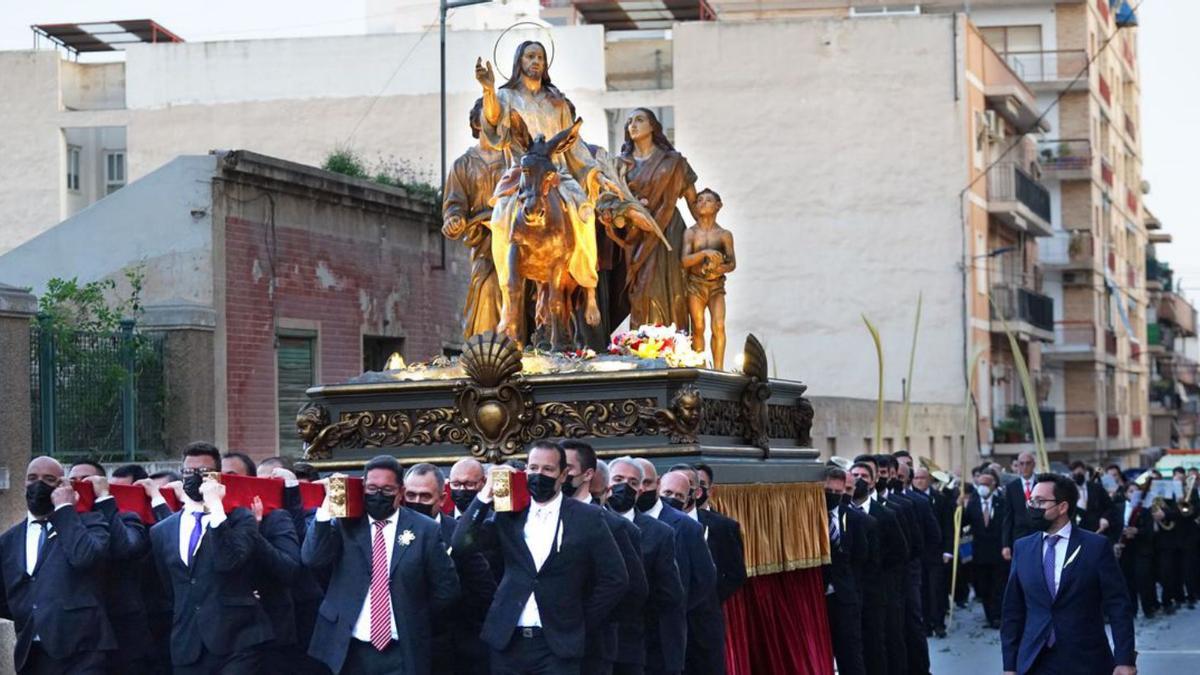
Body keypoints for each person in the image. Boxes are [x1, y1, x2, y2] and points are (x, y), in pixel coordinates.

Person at [453, 441, 628, 674]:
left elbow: (615, 578)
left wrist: (580, 620)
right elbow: (462, 544)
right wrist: (484, 497)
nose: (539, 475)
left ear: (563, 474)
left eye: (548, 469)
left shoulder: (587, 517)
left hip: (557, 645)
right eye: (533, 468)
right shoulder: (509, 513)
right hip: (507, 641)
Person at [303, 455, 460, 674]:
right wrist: (326, 508)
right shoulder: (346, 523)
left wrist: (414, 613)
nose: (378, 495)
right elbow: (313, 558)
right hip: (348, 647)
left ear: (400, 492)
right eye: (372, 488)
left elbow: (446, 588)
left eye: (387, 490)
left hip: (401, 649)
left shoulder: (424, 529)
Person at [149, 441, 274, 674]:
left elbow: (228, 561)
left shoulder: (240, 518)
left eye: (203, 473)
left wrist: (215, 505)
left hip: (238, 640)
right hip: (188, 644)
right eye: (188, 472)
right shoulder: (162, 531)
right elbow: (170, 586)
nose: (194, 477)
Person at [1000, 473, 1136, 675]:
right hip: (1035, 660)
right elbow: (1013, 610)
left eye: (1040, 501)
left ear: (1062, 507)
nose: (1033, 507)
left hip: (1086, 660)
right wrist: (1009, 666)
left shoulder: (1095, 546)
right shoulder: (1023, 547)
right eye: (1031, 501)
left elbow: (1118, 605)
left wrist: (1124, 659)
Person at [0, 457, 116, 674]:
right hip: (32, 653)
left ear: (62, 485)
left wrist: (64, 508)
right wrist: (30, 609)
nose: (39, 484)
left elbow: (85, 558)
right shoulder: (8, 540)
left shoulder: (91, 523)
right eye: (32, 478)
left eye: (49, 479)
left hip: (83, 652)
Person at [561, 441, 648, 675]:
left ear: (587, 474)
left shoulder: (616, 526)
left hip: (592, 648)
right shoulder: (531, 520)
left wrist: (584, 623)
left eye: (566, 467)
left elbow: (633, 590)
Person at [404, 462, 496, 675]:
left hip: (453, 647)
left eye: (425, 496)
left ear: (442, 498)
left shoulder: (459, 533)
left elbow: (484, 590)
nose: (417, 502)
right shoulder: (392, 532)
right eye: (411, 496)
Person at [68, 460, 155, 673]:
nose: (79, 485)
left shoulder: (126, 517)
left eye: (86, 481)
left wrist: (104, 500)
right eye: (73, 481)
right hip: (79, 637)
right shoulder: (64, 523)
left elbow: (126, 547)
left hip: (123, 633)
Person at [222, 452, 304, 671]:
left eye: (230, 476)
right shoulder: (213, 521)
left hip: (271, 631)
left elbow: (289, 570)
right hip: (226, 634)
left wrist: (252, 531)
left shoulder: (276, 518)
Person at [608, 457, 685, 675]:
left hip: (634, 646)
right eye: (618, 479)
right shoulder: (588, 521)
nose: (624, 486)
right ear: (606, 483)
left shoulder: (660, 533)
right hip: (589, 644)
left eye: (632, 482)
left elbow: (669, 597)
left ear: (641, 489)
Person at [444, 97, 508, 338]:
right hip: (483, 239)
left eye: (498, 116)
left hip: (515, 237)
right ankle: (488, 345)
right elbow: (454, 205)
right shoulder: (463, 164)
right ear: (476, 122)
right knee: (488, 287)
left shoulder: (515, 160)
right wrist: (454, 219)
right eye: (488, 115)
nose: (494, 120)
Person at [656, 469, 724, 675]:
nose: (672, 499)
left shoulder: (692, 527)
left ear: (690, 498)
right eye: (667, 493)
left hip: (696, 623)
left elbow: (708, 577)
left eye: (679, 496)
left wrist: (682, 603)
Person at [849, 460, 908, 675]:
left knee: (880, 643)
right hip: (852, 592)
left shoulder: (885, 514)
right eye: (854, 474)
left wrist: (876, 569)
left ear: (873, 481)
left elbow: (900, 551)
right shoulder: (842, 513)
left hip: (879, 591)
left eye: (864, 476)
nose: (858, 480)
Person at [681, 189, 737, 370]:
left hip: (716, 287)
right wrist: (704, 253)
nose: (703, 203)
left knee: (718, 325)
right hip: (695, 286)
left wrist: (718, 268)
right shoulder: (691, 233)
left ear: (718, 206)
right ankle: (701, 367)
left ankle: (719, 370)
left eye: (708, 200)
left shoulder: (724, 234)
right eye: (699, 200)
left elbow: (732, 263)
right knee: (698, 326)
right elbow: (684, 261)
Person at [823, 467, 867, 675]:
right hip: (818, 598)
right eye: (828, 491)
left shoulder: (854, 518)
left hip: (846, 598)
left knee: (851, 655)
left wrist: (852, 589)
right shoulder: (808, 518)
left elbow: (861, 558)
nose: (832, 496)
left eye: (837, 493)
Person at [907, 465, 949, 638]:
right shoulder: (910, 499)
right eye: (916, 478)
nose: (919, 481)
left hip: (936, 552)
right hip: (918, 553)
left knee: (937, 590)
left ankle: (939, 623)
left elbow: (947, 526)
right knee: (921, 590)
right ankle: (925, 625)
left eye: (922, 478)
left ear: (930, 480)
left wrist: (948, 551)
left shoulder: (940, 498)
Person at [965, 469, 1007, 628]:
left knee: (998, 585)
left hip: (998, 552)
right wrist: (959, 508)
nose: (982, 487)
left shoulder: (1002, 502)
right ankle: (989, 615)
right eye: (980, 483)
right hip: (979, 553)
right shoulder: (973, 504)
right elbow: (964, 523)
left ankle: (997, 616)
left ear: (993, 485)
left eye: (985, 484)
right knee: (984, 586)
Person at [1003, 452, 1040, 564]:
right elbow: (1008, 517)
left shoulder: (1041, 484)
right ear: (1018, 465)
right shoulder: (1012, 487)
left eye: (1028, 463)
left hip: (1039, 534)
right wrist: (1005, 544)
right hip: (1019, 536)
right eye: (1021, 464)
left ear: (1033, 464)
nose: (1025, 467)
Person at [1070, 462, 1112, 536]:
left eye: (1080, 473)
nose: (1078, 476)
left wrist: (1105, 518)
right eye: (1075, 474)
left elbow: (1110, 506)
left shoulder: (1096, 488)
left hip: (1097, 530)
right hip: (1077, 531)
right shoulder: (1068, 490)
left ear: (1085, 472)